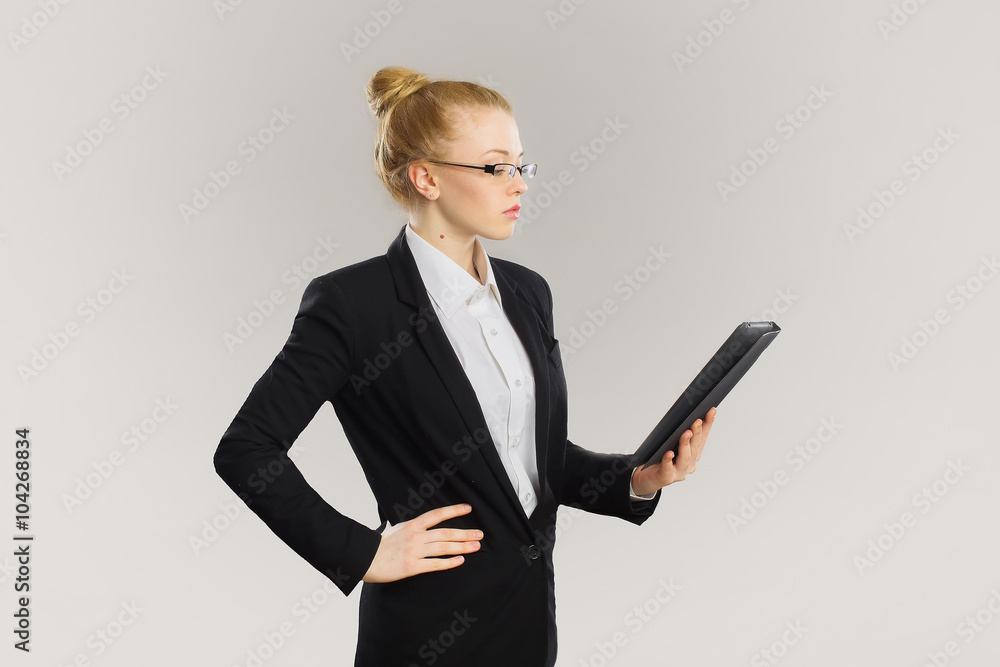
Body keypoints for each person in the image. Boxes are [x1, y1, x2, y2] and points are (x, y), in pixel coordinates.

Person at [213, 65, 717, 667]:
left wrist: (635, 480)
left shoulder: (528, 293)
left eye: (521, 165)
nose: (519, 184)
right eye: (496, 167)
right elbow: (246, 449)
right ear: (425, 177)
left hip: (528, 634)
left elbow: (526, 455)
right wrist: (362, 552)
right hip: (423, 636)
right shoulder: (353, 305)